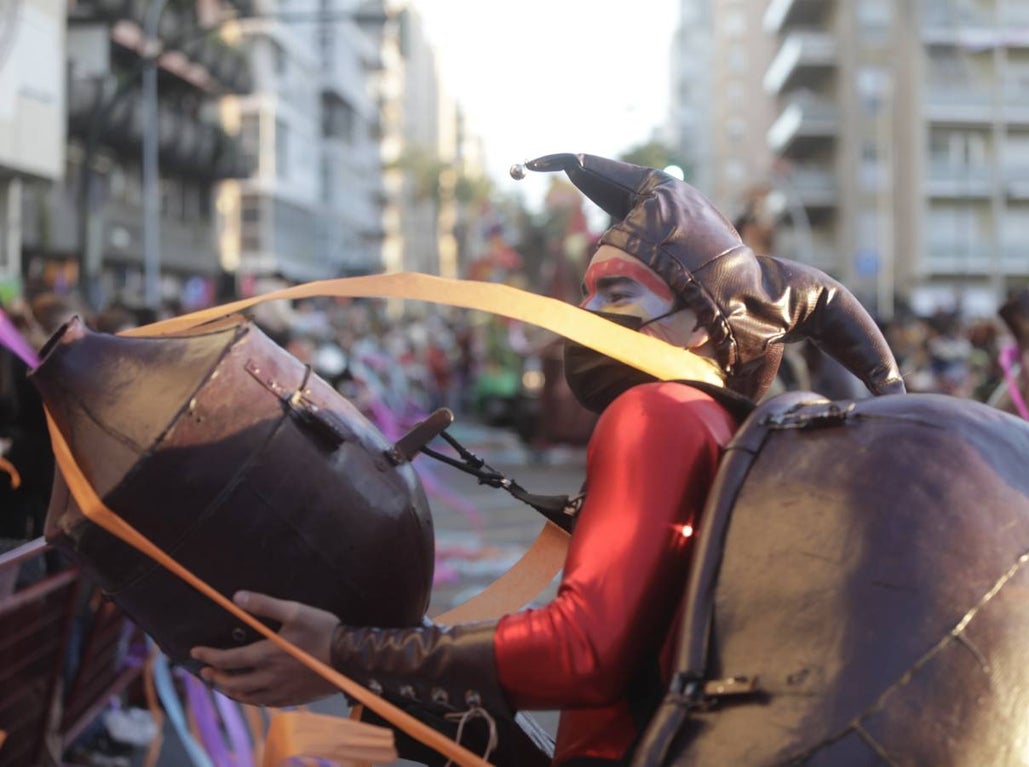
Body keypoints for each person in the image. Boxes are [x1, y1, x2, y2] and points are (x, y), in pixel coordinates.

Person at [191, 153, 905, 767]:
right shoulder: (714, 418)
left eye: (619, 292)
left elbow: (584, 650)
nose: (587, 311)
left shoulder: (654, 412)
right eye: (588, 290)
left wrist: (345, 649)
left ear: (700, 324)